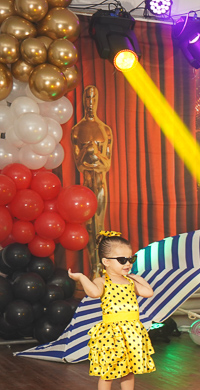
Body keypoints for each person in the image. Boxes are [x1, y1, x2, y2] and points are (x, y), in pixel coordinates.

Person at [68, 231, 155, 390]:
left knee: (129, 369)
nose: (128, 264)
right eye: (122, 260)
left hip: (132, 331)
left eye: (130, 259)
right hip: (112, 333)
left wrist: (137, 277)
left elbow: (148, 292)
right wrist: (81, 277)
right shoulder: (102, 281)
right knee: (108, 371)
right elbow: (93, 293)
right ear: (106, 262)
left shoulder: (130, 281)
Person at [71, 85, 113, 278]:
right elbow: (79, 165)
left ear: (97, 101)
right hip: (86, 185)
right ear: (83, 100)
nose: (90, 102)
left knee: (100, 225)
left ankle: (102, 269)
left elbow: (107, 164)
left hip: (101, 184)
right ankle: (93, 269)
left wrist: (94, 154)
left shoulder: (105, 130)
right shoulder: (77, 130)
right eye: (87, 98)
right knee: (89, 226)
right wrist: (87, 153)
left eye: (93, 98)